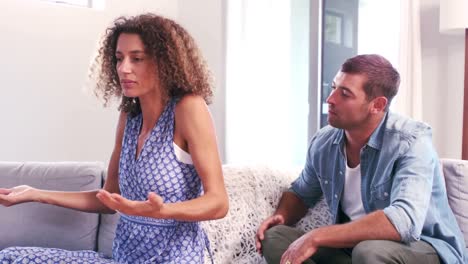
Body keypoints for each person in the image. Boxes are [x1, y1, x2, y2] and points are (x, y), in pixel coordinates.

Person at [0, 13, 228, 263]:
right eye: (119, 59)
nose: (123, 68)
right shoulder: (129, 116)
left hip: (174, 258)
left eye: (136, 58)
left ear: (164, 62)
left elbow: (218, 202)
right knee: (13, 257)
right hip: (124, 258)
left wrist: (163, 211)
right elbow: (108, 199)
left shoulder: (188, 108)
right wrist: (34, 193)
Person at [255, 54, 468, 264]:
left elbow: (404, 221)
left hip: (424, 248)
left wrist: (317, 236)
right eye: (333, 88)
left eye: (345, 94)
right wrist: (283, 215)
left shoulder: (411, 141)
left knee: (370, 251)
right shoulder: (324, 141)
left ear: (377, 105)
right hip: (354, 251)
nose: (330, 100)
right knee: (276, 238)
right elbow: (302, 193)